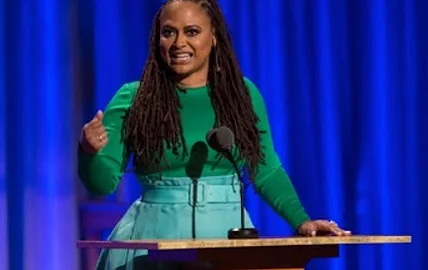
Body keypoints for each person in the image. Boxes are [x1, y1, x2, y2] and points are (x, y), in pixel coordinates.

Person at [77, 0, 351, 269]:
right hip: (153, 238)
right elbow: (102, 184)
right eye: (169, 32)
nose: (178, 43)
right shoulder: (133, 98)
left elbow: (266, 171)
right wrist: (89, 153)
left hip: (227, 238)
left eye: (192, 32)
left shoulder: (242, 96)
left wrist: (301, 221)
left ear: (214, 37)